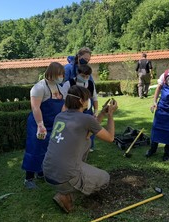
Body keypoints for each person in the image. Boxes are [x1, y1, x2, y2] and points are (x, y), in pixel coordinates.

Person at [43, 85, 117, 213]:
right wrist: (110, 115)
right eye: (87, 99)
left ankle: (68, 186)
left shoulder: (59, 116)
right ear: (81, 101)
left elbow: (88, 132)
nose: (88, 101)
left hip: (48, 172)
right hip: (65, 177)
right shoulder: (85, 119)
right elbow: (110, 138)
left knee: (86, 141)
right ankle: (66, 195)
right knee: (105, 178)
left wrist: (101, 114)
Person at [22, 62, 65, 189]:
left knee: (49, 150)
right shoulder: (39, 88)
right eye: (60, 74)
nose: (62, 76)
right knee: (35, 149)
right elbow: (35, 108)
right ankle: (28, 178)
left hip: (54, 124)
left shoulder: (59, 87)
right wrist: (40, 125)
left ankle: (42, 172)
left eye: (62, 74)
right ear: (52, 73)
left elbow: (62, 106)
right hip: (38, 123)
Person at [62, 64, 98, 151]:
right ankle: (75, 147)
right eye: (82, 76)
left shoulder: (90, 84)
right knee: (75, 129)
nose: (85, 78)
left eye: (87, 76)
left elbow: (95, 98)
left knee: (89, 129)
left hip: (87, 110)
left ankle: (88, 146)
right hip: (73, 110)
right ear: (77, 73)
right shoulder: (69, 83)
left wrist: (96, 110)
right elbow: (64, 99)